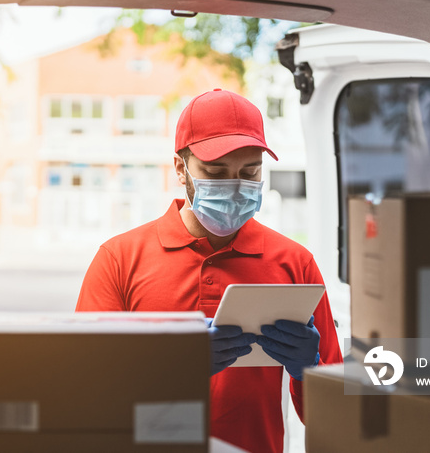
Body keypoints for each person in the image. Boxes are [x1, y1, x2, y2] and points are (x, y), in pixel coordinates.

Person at [75, 89, 342, 453]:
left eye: (250, 172)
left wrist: (310, 372)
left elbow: (342, 417)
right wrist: (174, 368)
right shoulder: (119, 259)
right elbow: (82, 394)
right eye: (215, 173)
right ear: (180, 169)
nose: (234, 187)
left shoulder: (294, 262)